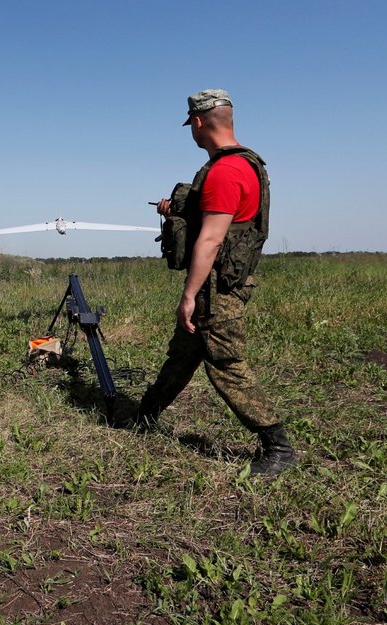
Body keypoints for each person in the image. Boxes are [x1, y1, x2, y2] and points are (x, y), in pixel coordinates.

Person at [120, 89, 296, 477]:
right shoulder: (244, 165)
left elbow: (212, 238)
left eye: (191, 126)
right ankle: (144, 418)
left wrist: (188, 294)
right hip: (222, 281)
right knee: (183, 355)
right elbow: (222, 217)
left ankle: (277, 447)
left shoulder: (224, 171)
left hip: (216, 290)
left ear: (198, 123)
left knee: (226, 364)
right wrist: (178, 207)